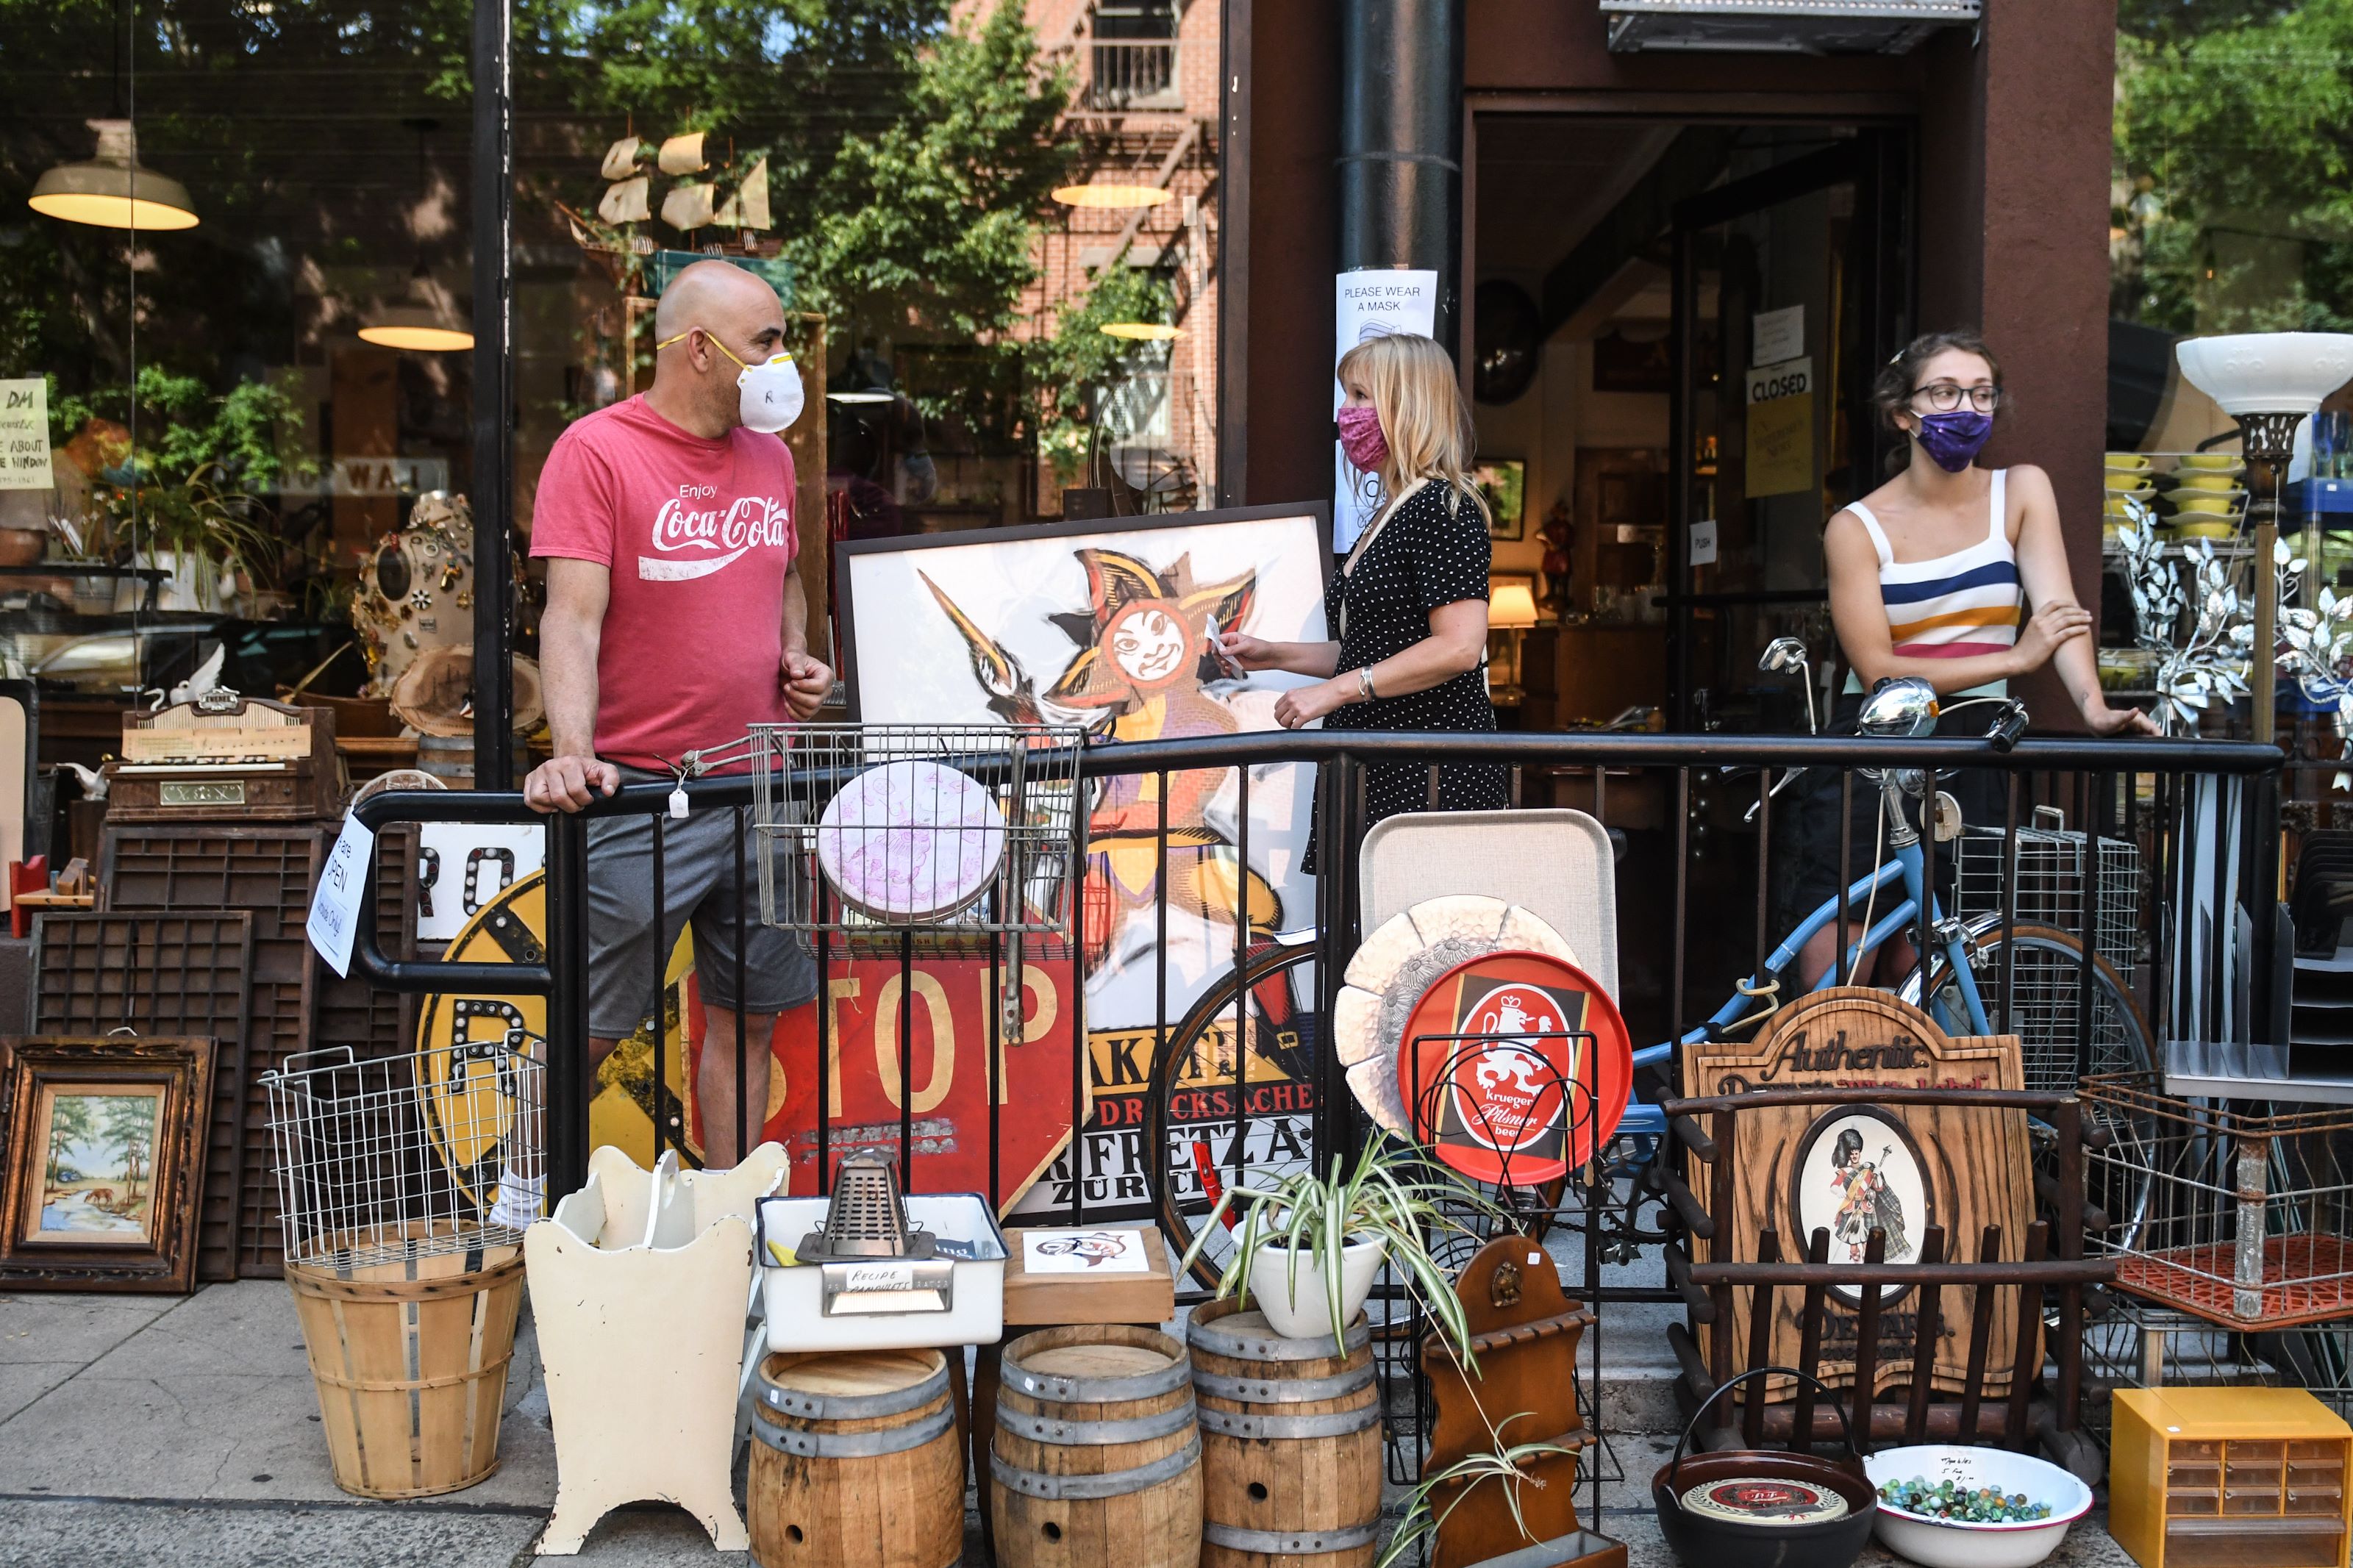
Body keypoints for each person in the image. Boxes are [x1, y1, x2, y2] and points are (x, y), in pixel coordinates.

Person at [524, 259, 832, 1168]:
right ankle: (519, 1201)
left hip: (761, 787)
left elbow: (786, 576)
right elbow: (570, 618)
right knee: (587, 1024)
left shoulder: (772, 458)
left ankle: (728, 1216)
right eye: (765, 343)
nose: (782, 362)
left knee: (748, 1019)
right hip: (641, 791)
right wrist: (571, 751)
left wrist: (796, 655)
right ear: (699, 349)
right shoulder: (596, 450)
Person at [1786, 329, 2154, 985]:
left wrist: (2094, 708)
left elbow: (2058, 612)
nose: (1967, 408)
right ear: (1903, 413)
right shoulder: (1855, 526)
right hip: (1880, 743)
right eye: (1946, 392)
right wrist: (2015, 660)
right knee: (1846, 949)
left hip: (1978, 743)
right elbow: (1880, 671)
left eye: (1982, 394)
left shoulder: (2022, 489)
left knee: (1936, 951)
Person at [1215, 333, 1504, 855]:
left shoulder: (1444, 507)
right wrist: (1273, 654)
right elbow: (1375, 651)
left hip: (1426, 775)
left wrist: (1336, 692)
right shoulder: (1393, 511)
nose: (1345, 412)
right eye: (1346, 395)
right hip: (1382, 764)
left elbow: (1459, 647)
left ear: (1406, 405)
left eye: (1360, 396)